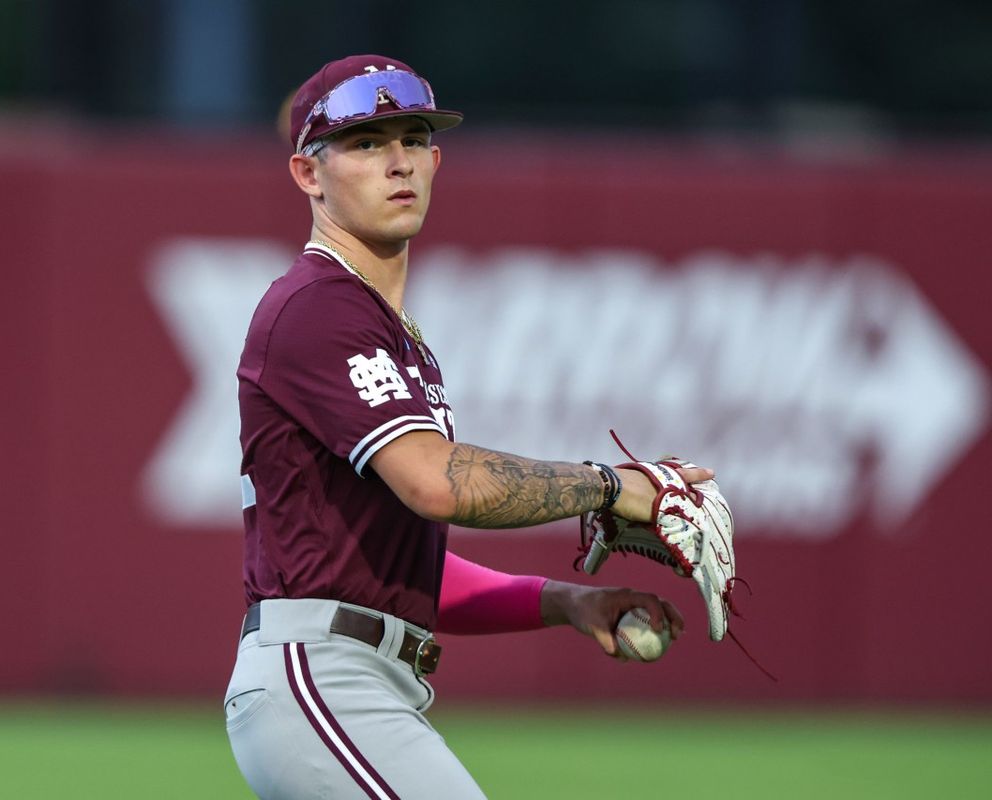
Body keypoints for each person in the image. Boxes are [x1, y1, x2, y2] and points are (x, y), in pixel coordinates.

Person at [226, 54, 711, 799]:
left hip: (365, 676)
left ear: (437, 159)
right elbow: (438, 483)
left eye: (413, 139)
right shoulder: (319, 306)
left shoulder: (389, 331)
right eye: (364, 143)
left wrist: (564, 602)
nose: (398, 163)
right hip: (321, 679)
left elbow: (405, 573)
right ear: (308, 174)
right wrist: (614, 487)